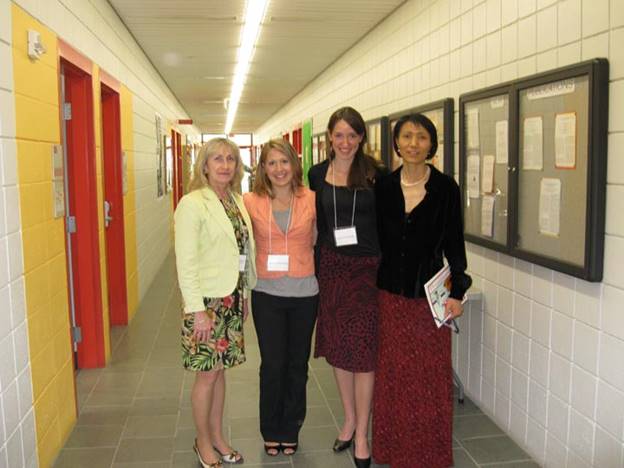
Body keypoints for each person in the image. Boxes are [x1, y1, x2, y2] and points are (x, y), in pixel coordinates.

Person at [373, 113, 472, 467]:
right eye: (407, 136)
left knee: (430, 377)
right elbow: (375, 245)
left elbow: (455, 246)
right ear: (396, 143)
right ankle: (393, 449)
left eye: (422, 137)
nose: (414, 143)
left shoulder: (446, 188)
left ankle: (428, 455)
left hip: (431, 300)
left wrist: (458, 292)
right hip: (389, 298)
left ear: (432, 145)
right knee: (394, 376)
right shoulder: (382, 187)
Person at [174, 138, 257, 468]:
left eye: (231, 159)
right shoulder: (193, 204)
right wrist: (197, 311)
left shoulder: (236, 201)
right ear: (204, 165)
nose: (225, 165)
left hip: (232, 298)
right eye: (217, 159)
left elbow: (242, 253)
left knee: (220, 372)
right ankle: (203, 441)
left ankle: (218, 436)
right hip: (206, 303)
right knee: (206, 375)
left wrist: (245, 294)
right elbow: (186, 262)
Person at [308, 106, 382, 468]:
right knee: (339, 349)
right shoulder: (317, 174)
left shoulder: (375, 174)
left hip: (368, 270)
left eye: (352, 135)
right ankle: (349, 419)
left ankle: (364, 433)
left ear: (361, 138)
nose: (346, 142)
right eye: (339, 135)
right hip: (332, 269)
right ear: (329, 138)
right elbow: (313, 223)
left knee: (364, 353)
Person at [243, 139, 318, 457]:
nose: (279, 169)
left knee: (297, 364)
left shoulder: (312, 199)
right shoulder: (249, 201)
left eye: (284, 162)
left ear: (294, 164)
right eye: (271, 163)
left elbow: (319, 239)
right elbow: (243, 245)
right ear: (263, 168)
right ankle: (270, 428)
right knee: (273, 364)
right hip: (267, 293)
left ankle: (291, 427)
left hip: (304, 293)